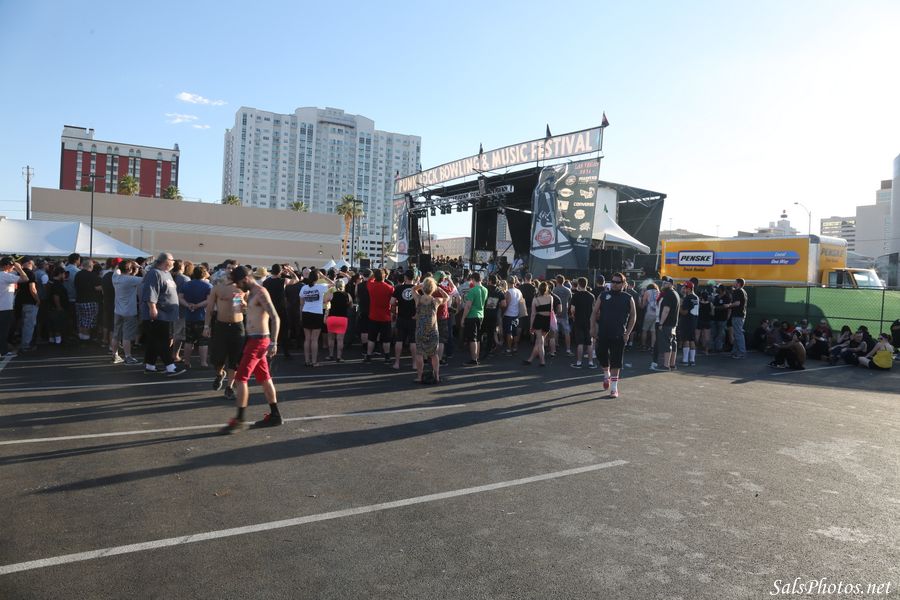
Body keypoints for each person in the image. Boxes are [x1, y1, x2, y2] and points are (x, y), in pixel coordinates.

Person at [222, 266, 283, 433]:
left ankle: (240, 419)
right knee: (264, 378)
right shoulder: (250, 293)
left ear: (245, 279)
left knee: (240, 378)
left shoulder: (261, 292)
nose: (238, 286)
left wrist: (274, 342)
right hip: (254, 340)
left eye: (238, 283)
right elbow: (240, 312)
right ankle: (275, 415)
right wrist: (238, 301)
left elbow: (275, 317)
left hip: (259, 341)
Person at [204, 261, 247, 399]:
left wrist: (243, 304)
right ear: (225, 269)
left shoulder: (241, 288)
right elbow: (209, 308)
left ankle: (229, 387)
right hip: (221, 326)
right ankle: (219, 373)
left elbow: (243, 309)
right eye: (229, 268)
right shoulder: (217, 287)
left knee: (235, 359)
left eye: (234, 269)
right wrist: (206, 326)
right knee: (218, 358)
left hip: (237, 327)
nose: (231, 271)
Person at [590, 272, 637, 398]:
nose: (615, 284)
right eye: (613, 282)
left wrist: (628, 333)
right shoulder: (603, 295)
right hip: (603, 333)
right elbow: (594, 312)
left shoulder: (628, 297)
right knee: (601, 355)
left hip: (619, 334)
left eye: (618, 282)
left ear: (623, 283)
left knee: (616, 361)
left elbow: (633, 316)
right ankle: (606, 374)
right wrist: (592, 328)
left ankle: (614, 389)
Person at [139, 252, 186, 376]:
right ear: (166, 261)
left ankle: (150, 366)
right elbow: (151, 291)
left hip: (167, 315)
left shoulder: (167, 274)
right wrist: (152, 308)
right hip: (158, 314)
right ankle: (170, 367)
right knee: (162, 341)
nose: (174, 262)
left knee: (154, 341)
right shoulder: (154, 273)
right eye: (172, 260)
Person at [413, 277, 446, 383]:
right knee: (434, 354)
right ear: (433, 288)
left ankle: (419, 376)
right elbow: (447, 297)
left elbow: (413, 289)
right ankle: (437, 376)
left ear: (423, 288)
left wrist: (420, 285)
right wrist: (439, 289)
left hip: (420, 329)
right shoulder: (436, 300)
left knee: (419, 353)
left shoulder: (418, 299)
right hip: (432, 330)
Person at [179, 265, 213, 369]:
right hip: (202, 316)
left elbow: (180, 298)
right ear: (204, 273)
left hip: (189, 315)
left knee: (189, 340)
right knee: (203, 341)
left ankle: (186, 362)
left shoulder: (186, 284)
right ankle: (203, 363)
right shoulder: (208, 286)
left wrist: (188, 305)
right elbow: (209, 300)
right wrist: (198, 305)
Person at [263, 264, 299, 358]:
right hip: (281, 308)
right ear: (280, 272)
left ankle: (267, 351)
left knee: (269, 329)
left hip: (270, 308)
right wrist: (289, 270)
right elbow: (296, 279)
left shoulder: (266, 282)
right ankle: (286, 352)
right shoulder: (283, 280)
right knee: (284, 330)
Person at [111, 260, 143, 364]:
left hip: (117, 311)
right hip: (129, 312)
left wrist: (129, 266)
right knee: (127, 336)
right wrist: (140, 267)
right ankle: (128, 357)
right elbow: (147, 278)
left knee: (116, 334)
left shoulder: (115, 277)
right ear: (130, 269)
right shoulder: (132, 279)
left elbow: (117, 269)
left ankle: (115, 355)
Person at [299, 269, 331, 367]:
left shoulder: (304, 288)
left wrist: (301, 315)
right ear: (317, 278)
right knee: (314, 340)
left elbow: (301, 303)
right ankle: (314, 361)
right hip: (317, 314)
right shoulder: (321, 287)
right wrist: (324, 276)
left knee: (307, 339)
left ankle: (307, 361)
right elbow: (333, 283)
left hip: (306, 313)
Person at [0, 257, 28, 357]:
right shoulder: (5, 275)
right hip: (5, 307)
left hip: (3, 306)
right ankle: (3, 351)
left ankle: (3, 349)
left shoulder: (4, 275)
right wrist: (19, 268)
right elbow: (25, 279)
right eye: (12, 265)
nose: (13, 267)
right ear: (7, 265)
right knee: (4, 331)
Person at [365, 269, 394, 362]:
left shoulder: (371, 285)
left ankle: (368, 356)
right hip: (386, 317)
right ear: (384, 276)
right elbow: (393, 301)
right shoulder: (390, 288)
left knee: (371, 338)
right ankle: (387, 357)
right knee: (386, 339)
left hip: (373, 316)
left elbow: (370, 279)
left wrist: (374, 274)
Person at [391, 270, 417, 370]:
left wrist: (397, 307)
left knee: (399, 340)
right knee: (413, 341)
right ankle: (414, 364)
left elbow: (392, 302)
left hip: (401, 317)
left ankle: (397, 363)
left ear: (405, 277)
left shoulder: (399, 288)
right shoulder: (418, 289)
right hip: (413, 318)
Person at [652, 276, 680, 371]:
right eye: (663, 282)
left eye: (666, 283)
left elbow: (666, 310)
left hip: (667, 324)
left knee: (666, 344)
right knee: (673, 343)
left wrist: (661, 323)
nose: (663, 284)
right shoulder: (675, 293)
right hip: (673, 324)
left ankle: (666, 365)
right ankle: (672, 364)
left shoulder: (669, 294)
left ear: (671, 284)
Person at [524, 281, 553, 367]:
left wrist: (531, 326)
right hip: (547, 320)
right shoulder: (550, 297)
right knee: (539, 341)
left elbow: (533, 314)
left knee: (540, 342)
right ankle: (530, 359)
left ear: (538, 289)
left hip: (539, 320)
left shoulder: (535, 299)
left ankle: (542, 361)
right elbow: (551, 310)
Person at [461, 272, 488, 365]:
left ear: (473, 279)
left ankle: (473, 359)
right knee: (478, 338)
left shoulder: (472, 290)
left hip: (472, 315)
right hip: (481, 315)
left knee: (472, 338)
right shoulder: (485, 289)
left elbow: (468, 306)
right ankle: (476, 357)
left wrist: (463, 318)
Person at [569, 277, 596, 369]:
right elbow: (594, 310)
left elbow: (572, 309)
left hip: (578, 321)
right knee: (589, 342)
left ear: (579, 284)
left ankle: (579, 362)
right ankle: (591, 363)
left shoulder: (575, 296)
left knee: (580, 343)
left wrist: (573, 316)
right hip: (589, 321)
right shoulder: (591, 296)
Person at [14, 257, 39, 353]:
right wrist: (38, 299)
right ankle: (25, 345)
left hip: (19, 301)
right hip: (29, 302)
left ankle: (20, 341)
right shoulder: (31, 273)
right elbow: (32, 288)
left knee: (22, 323)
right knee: (29, 325)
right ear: (29, 262)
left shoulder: (18, 273)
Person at [74, 259, 102, 342]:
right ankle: (85, 338)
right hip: (90, 301)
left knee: (80, 320)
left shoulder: (78, 274)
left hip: (79, 300)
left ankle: (81, 336)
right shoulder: (92, 275)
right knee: (88, 320)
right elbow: (98, 287)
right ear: (90, 266)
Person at [324, 278, 351, 362]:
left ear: (335, 286)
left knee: (331, 338)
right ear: (343, 286)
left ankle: (330, 355)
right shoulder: (347, 295)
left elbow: (324, 301)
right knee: (340, 339)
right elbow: (350, 305)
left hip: (332, 318)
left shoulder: (332, 294)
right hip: (342, 318)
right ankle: (339, 357)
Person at [46, 265, 69, 345]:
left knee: (51, 325)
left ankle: (51, 340)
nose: (64, 276)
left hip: (50, 306)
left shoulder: (50, 282)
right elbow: (56, 296)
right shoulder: (57, 284)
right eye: (64, 274)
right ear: (60, 274)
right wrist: (59, 306)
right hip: (57, 308)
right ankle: (58, 342)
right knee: (58, 325)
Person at [679, 281, 700, 366]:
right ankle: (692, 360)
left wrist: (679, 306)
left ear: (689, 288)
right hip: (694, 321)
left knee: (686, 340)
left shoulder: (688, 298)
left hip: (687, 321)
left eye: (685, 287)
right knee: (692, 340)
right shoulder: (696, 297)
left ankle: (685, 360)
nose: (683, 289)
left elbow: (684, 312)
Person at [503, 276, 524, 354]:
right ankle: (515, 347)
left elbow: (506, 304)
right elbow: (521, 302)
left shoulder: (508, 292)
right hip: (516, 314)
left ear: (508, 282)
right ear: (514, 282)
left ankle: (509, 348)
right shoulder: (519, 291)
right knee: (515, 332)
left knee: (509, 332)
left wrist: (503, 313)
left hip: (508, 314)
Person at [729, 278, 748, 358]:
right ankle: (735, 351)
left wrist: (729, 305)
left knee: (738, 334)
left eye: (735, 282)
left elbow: (737, 303)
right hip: (741, 315)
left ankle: (741, 352)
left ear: (738, 284)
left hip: (737, 315)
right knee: (737, 333)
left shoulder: (738, 291)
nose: (734, 283)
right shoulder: (743, 291)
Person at [710, 284, 732, 353]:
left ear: (722, 290)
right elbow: (712, 306)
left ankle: (719, 348)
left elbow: (728, 308)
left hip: (723, 319)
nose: (718, 290)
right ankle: (712, 347)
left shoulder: (727, 298)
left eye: (719, 289)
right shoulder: (716, 297)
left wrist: (728, 316)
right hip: (714, 318)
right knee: (713, 333)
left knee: (721, 334)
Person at [640, 282, 659, 352]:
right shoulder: (658, 292)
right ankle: (652, 347)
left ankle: (643, 346)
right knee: (653, 332)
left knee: (644, 330)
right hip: (657, 314)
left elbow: (643, 305)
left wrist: (641, 299)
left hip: (649, 314)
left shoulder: (647, 292)